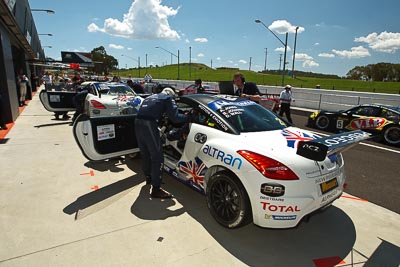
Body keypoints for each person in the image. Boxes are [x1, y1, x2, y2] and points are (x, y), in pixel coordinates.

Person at [134, 86, 188, 199]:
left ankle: (148, 177)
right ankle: (156, 189)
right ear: (171, 95)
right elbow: (176, 118)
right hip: (149, 124)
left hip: (137, 122)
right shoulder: (168, 98)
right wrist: (188, 117)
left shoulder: (150, 97)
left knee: (145, 153)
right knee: (157, 157)